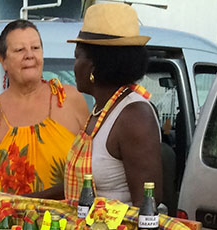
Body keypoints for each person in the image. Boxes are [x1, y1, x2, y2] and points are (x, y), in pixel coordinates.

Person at [62, 2, 163, 207]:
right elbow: (84, 189)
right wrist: (27, 199)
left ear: (93, 66)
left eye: (77, 57)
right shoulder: (102, 109)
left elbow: (147, 204)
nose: (74, 66)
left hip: (112, 228)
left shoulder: (134, 116)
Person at [0, 20, 88, 195]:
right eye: (19, 50)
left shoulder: (69, 99)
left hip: (70, 212)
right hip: (12, 214)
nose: (29, 55)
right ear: (3, 60)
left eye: (35, 48)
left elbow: (95, 165)